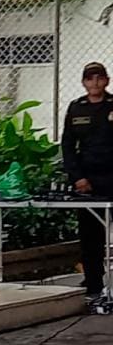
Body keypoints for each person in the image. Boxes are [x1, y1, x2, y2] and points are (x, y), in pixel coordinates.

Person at [62, 61, 113, 302]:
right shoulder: (76, 108)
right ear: (84, 82)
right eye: (90, 79)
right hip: (88, 180)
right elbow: (68, 146)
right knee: (90, 235)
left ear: (107, 81)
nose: (95, 83)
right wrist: (78, 177)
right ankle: (93, 282)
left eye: (99, 78)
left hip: (112, 177)